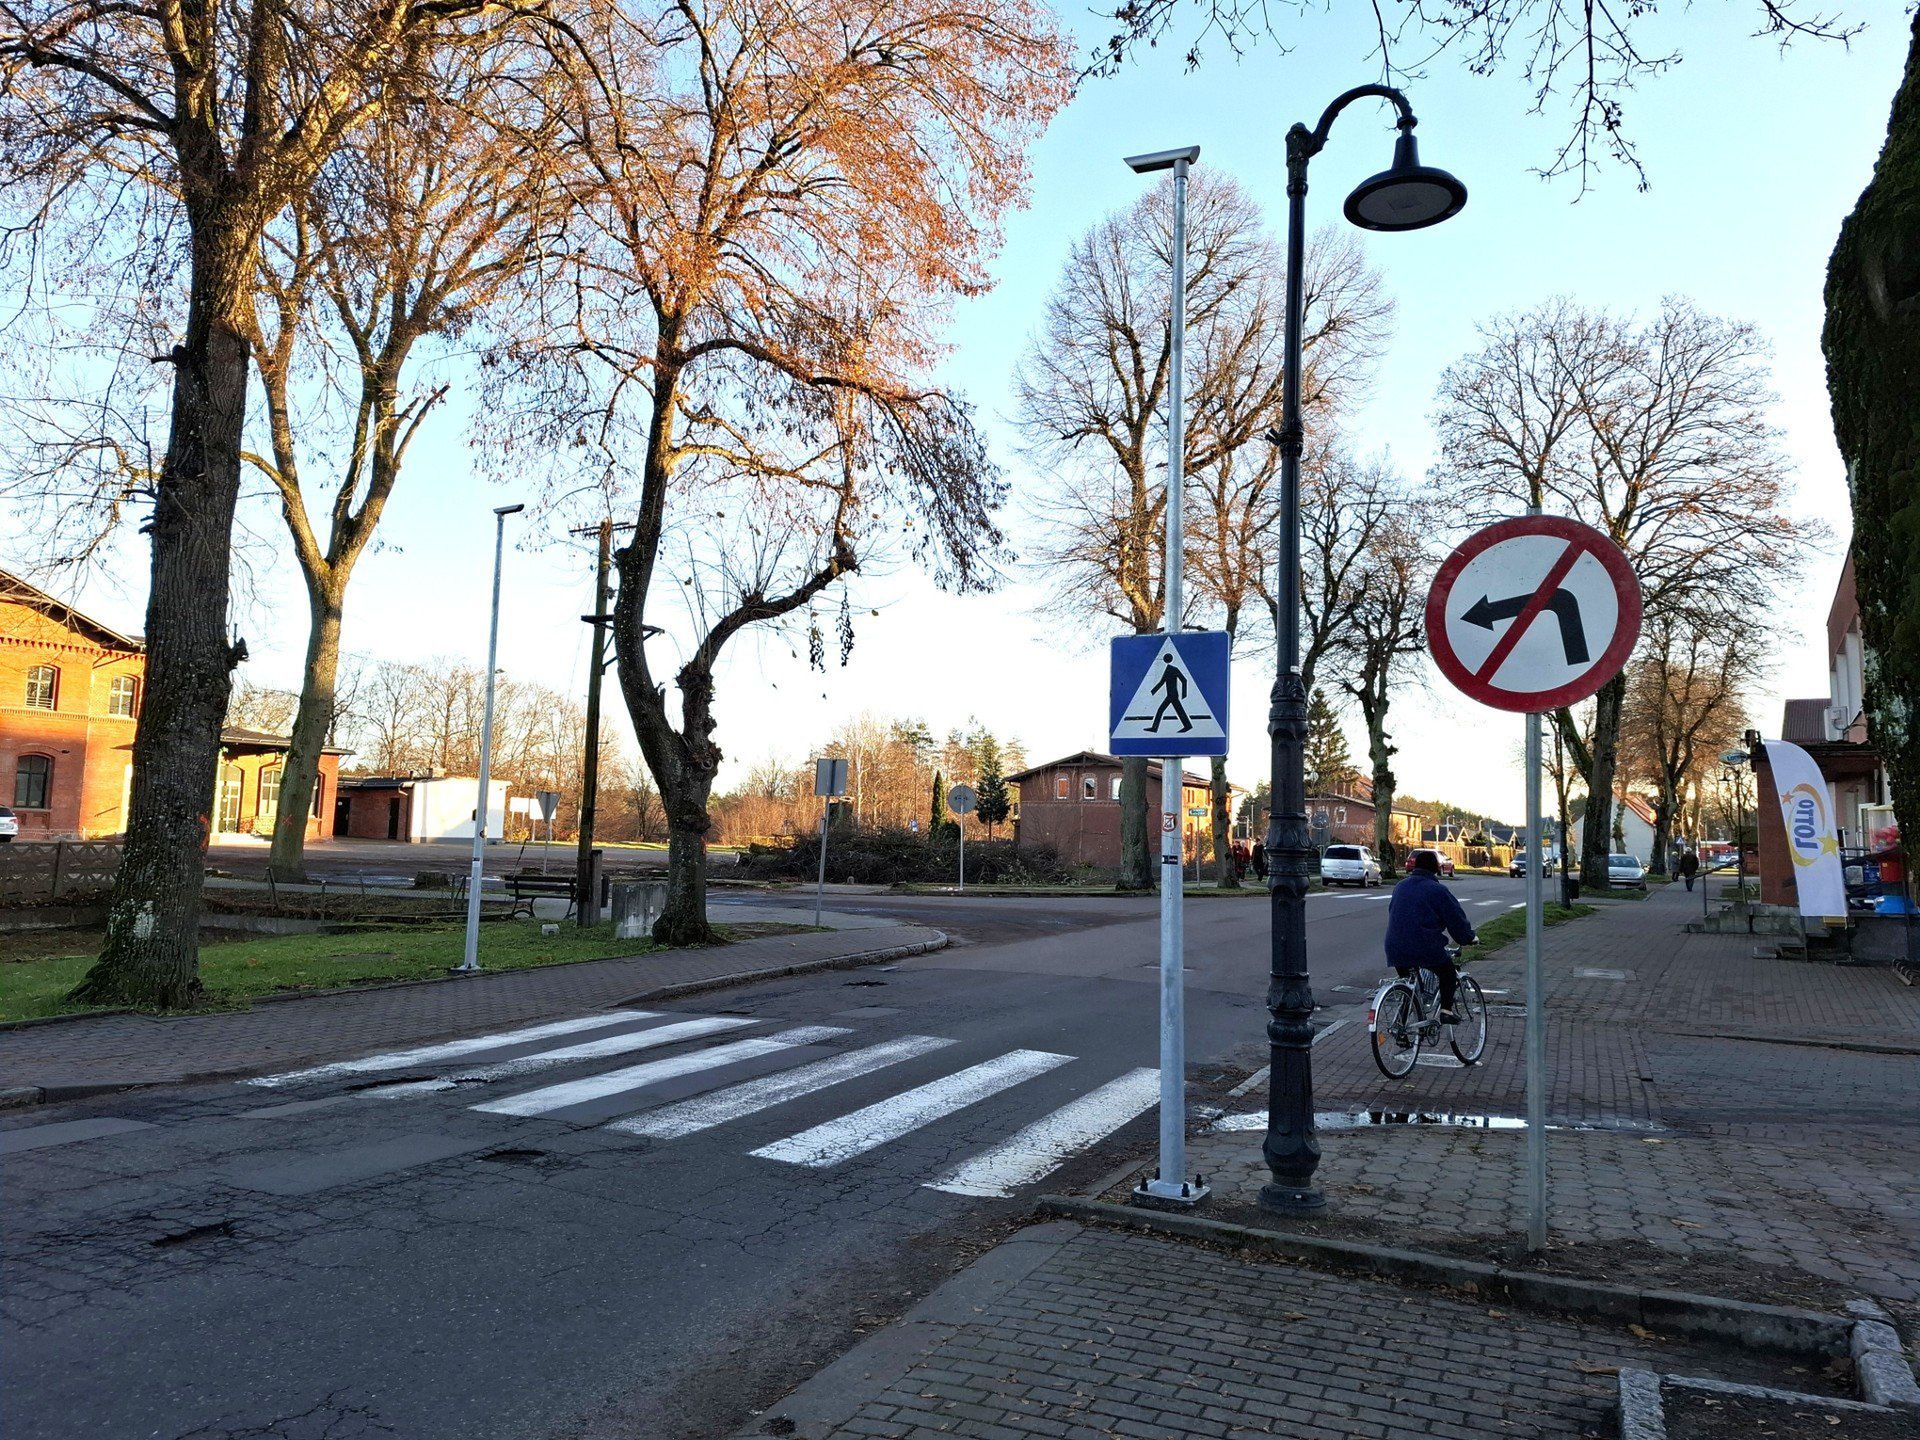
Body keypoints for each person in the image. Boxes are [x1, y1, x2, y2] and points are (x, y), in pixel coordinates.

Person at [1384, 848, 1477, 1022]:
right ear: (1435, 868)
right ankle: (1446, 1011)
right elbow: (1455, 919)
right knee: (1448, 973)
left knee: (1410, 987)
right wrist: (1468, 937)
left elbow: (1394, 912)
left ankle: (1403, 1025)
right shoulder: (1438, 890)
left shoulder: (1400, 886)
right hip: (1424, 946)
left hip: (1394, 947)